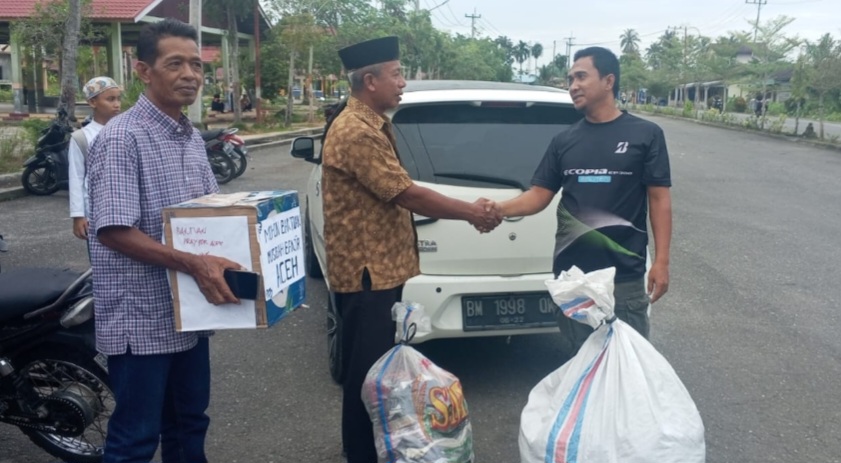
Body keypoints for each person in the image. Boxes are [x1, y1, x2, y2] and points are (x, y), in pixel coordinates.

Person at [320, 36, 501, 463]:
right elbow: (405, 193)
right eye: (397, 74)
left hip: (381, 271)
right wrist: (472, 212)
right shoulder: (355, 130)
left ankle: (371, 447)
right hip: (367, 274)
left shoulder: (372, 123)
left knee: (377, 370)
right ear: (370, 81)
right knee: (366, 374)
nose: (404, 83)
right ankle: (361, 453)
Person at [86, 18, 243, 463]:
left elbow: (212, 215)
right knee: (136, 438)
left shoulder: (190, 137)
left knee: (190, 423)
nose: (190, 74)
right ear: (144, 70)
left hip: (189, 312)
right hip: (144, 317)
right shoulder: (122, 138)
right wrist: (194, 263)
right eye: (175, 63)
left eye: (196, 64)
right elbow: (114, 231)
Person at [497, 46, 672, 356]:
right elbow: (539, 195)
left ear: (608, 81)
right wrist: (495, 210)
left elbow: (659, 199)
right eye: (570, 79)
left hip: (624, 277)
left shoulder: (646, 135)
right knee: (583, 364)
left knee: (628, 368)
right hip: (573, 277)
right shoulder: (565, 140)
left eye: (581, 77)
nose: (573, 86)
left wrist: (661, 261)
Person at [68, 76, 122, 244]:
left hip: (127, 206)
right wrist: (78, 215)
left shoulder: (126, 132)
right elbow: (76, 177)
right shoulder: (82, 138)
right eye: (110, 99)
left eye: (118, 99)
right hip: (96, 211)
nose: (117, 104)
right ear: (92, 102)